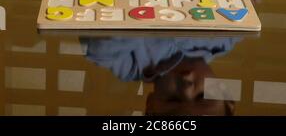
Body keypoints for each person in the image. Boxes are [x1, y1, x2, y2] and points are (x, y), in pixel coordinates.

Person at [83, 35, 240, 116]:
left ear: (151, 104)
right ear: (225, 95)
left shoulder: (128, 64)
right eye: (202, 96)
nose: (187, 86)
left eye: (172, 99)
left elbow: (101, 45)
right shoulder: (224, 40)